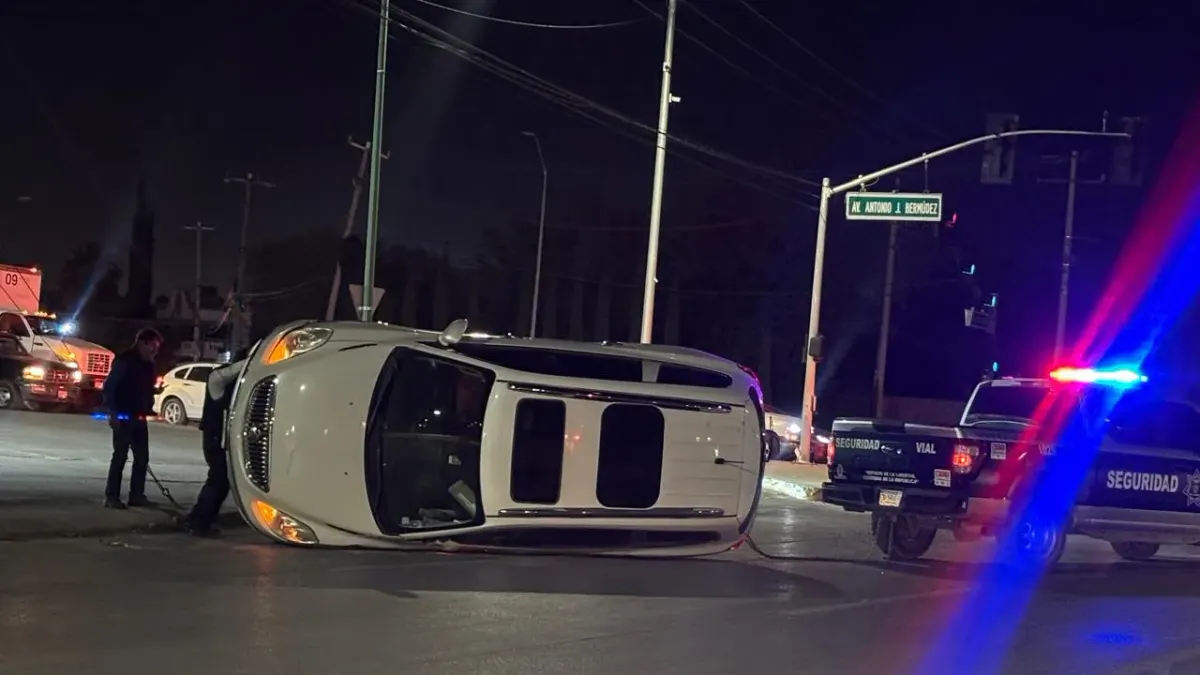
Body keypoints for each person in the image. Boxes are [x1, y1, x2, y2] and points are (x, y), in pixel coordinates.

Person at [182, 353, 246, 537]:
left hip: (221, 438)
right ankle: (198, 521)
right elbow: (228, 372)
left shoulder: (232, 385)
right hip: (215, 438)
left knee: (221, 481)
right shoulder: (217, 380)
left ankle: (201, 519)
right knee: (218, 479)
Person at [102, 328, 162, 509]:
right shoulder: (124, 361)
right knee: (120, 456)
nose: (155, 351)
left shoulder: (148, 364)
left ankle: (136, 495)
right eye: (152, 346)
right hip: (123, 416)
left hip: (139, 417)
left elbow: (145, 387)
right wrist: (112, 412)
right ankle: (111, 496)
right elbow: (110, 387)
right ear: (142, 343)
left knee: (142, 458)